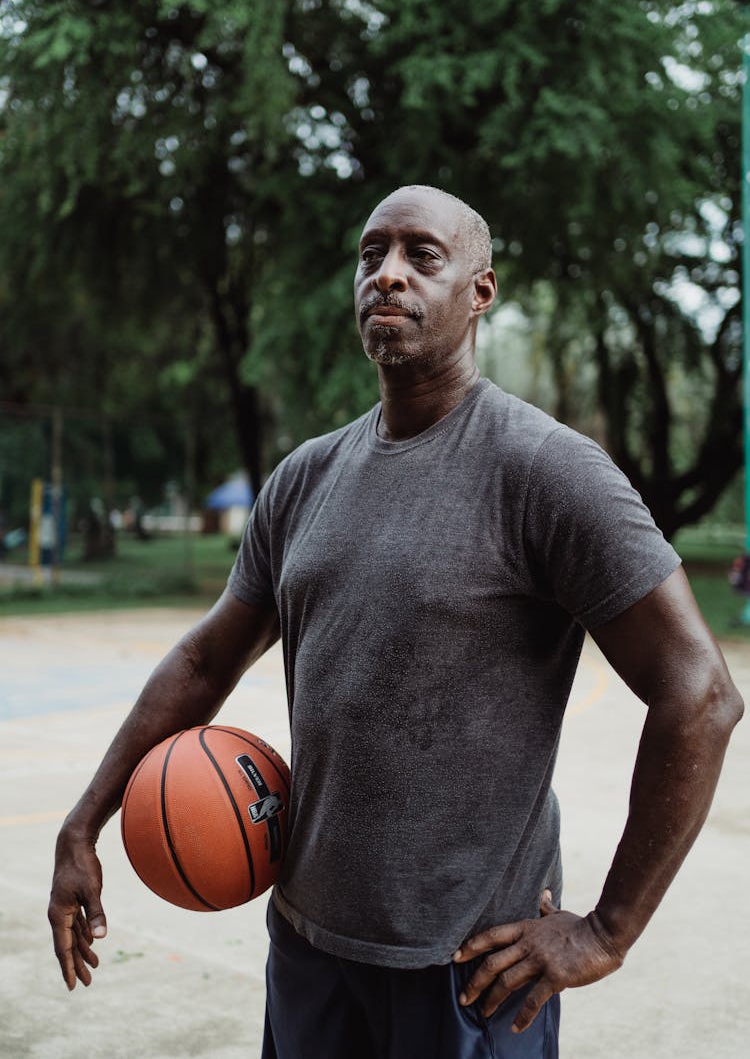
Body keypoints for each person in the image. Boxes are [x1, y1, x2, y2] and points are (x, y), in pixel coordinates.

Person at [49, 185, 743, 1058]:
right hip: (308, 946)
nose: (388, 274)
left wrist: (607, 928)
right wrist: (84, 820)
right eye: (371, 254)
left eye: (422, 255)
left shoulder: (546, 471)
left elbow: (702, 694)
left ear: (480, 290)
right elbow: (203, 659)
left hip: (464, 967)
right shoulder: (305, 477)